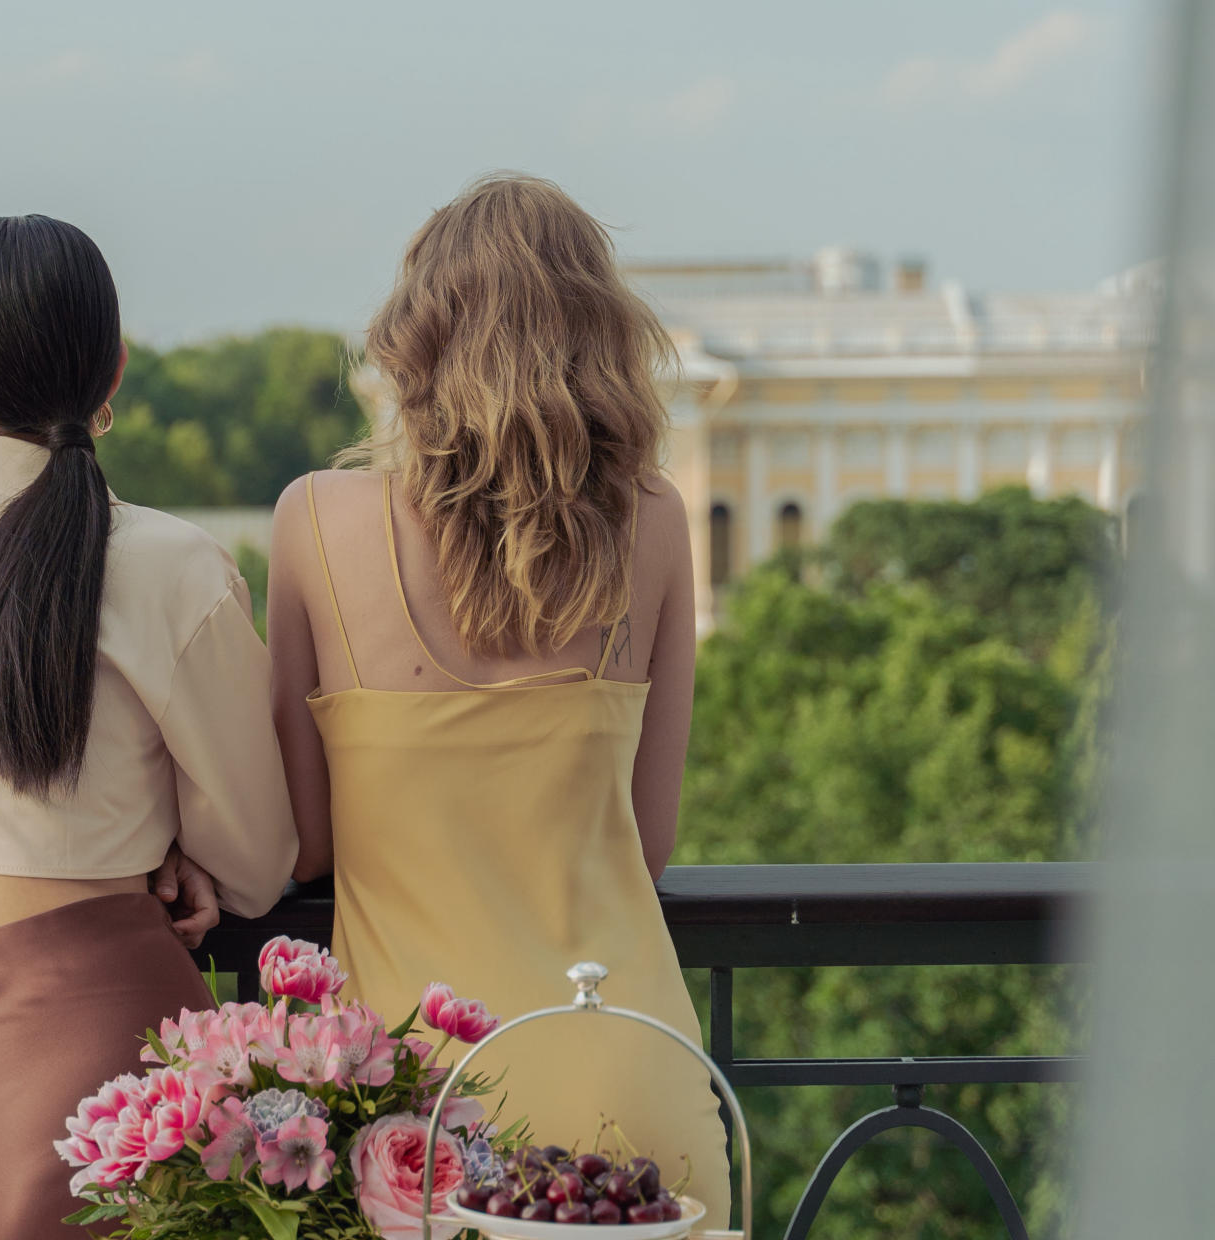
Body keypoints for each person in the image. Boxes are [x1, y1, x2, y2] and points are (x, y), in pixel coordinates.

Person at [0, 215, 297, 1239]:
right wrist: (165, 842)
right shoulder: (174, 566)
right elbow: (257, 867)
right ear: (111, 371)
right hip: (127, 1085)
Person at [267, 174, 731, 1225]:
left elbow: (300, 848)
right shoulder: (654, 521)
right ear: (601, 338)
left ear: (414, 337)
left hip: (421, 1106)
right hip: (634, 1083)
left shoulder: (313, 521)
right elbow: (646, 846)